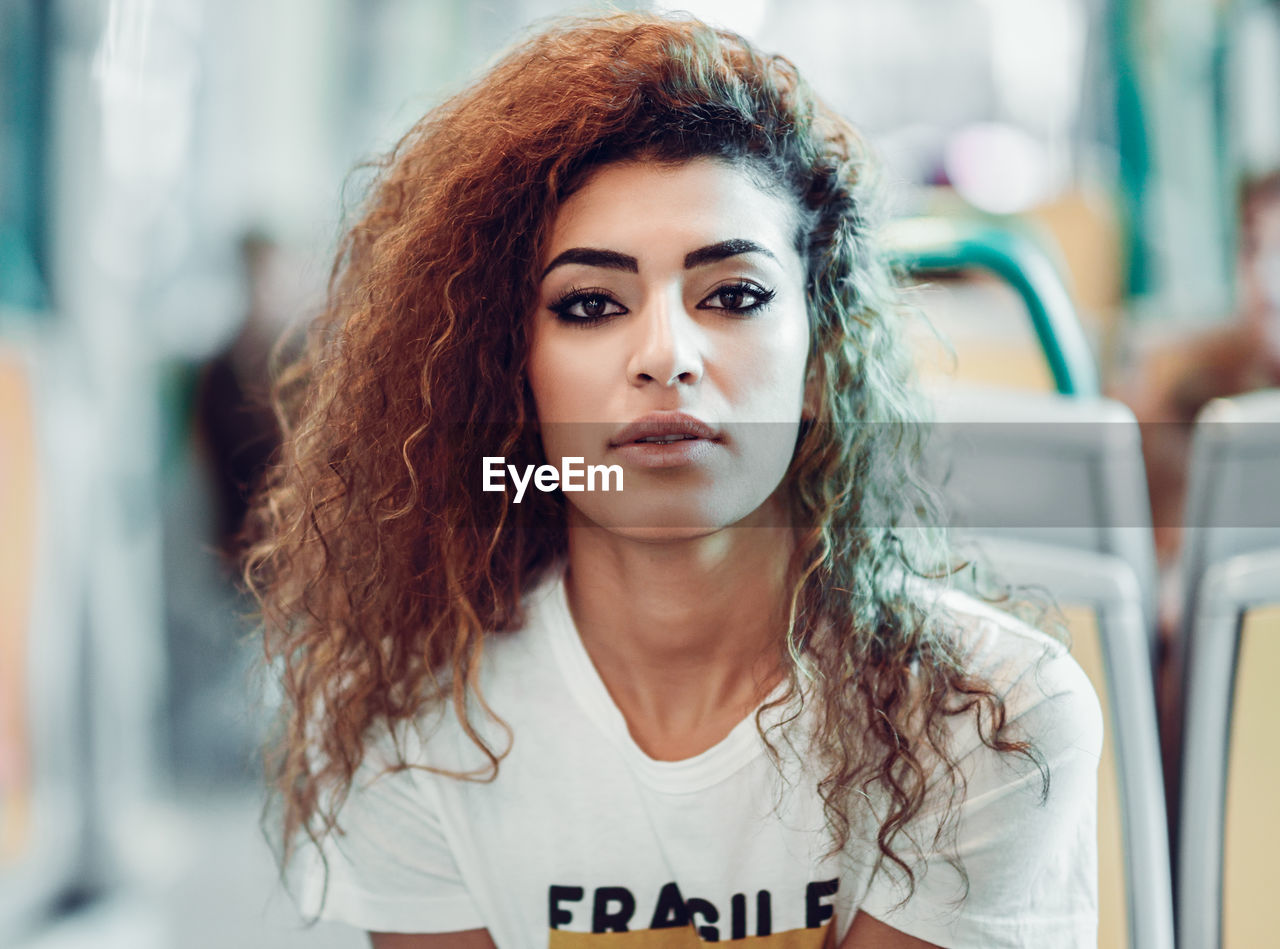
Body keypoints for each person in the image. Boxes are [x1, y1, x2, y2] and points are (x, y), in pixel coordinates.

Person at [244, 13, 1101, 948]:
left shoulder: (991, 715)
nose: (665, 356)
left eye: (733, 295)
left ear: (820, 361)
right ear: (511, 374)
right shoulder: (411, 726)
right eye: (590, 304)